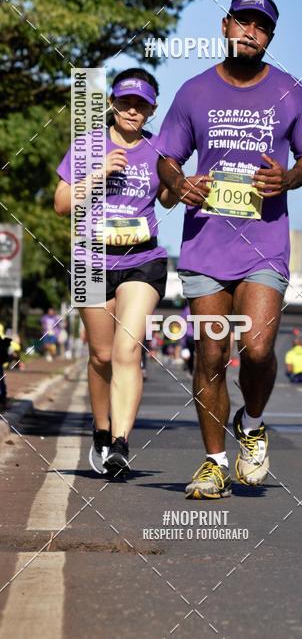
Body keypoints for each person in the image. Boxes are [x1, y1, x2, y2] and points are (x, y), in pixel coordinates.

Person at [157, 0, 302, 499]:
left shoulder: (290, 92)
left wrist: (288, 179)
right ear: (225, 26)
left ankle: (251, 423)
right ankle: (212, 463)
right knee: (210, 353)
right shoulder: (192, 92)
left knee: (256, 348)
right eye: (244, 22)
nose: (251, 32)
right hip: (205, 244)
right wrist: (180, 181)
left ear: (270, 36)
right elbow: (166, 156)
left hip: (263, 243)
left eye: (262, 26)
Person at [54, 68, 177, 477]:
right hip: (91, 259)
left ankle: (121, 443)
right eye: (125, 102)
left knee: (127, 351)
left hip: (143, 258)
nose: (131, 110)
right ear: (111, 103)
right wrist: (100, 172)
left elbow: (167, 199)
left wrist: (179, 185)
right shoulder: (88, 146)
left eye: (140, 104)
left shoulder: (159, 150)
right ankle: (101, 431)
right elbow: (61, 203)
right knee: (101, 355)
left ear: (151, 110)